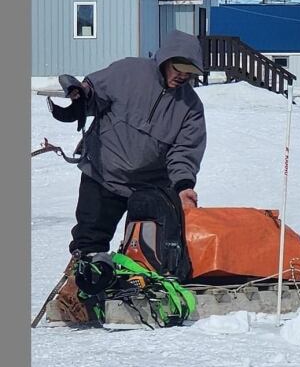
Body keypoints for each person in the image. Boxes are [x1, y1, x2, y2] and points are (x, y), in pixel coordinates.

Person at [50, 30, 207, 322]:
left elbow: (184, 152)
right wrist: (79, 99)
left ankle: (137, 297)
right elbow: (92, 91)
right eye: (178, 69)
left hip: (149, 187)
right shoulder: (129, 72)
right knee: (89, 242)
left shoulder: (191, 109)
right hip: (103, 174)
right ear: (165, 60)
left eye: (189, 73)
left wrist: (184, 187)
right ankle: (77, 296)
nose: (182, 77)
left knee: (151, 253)